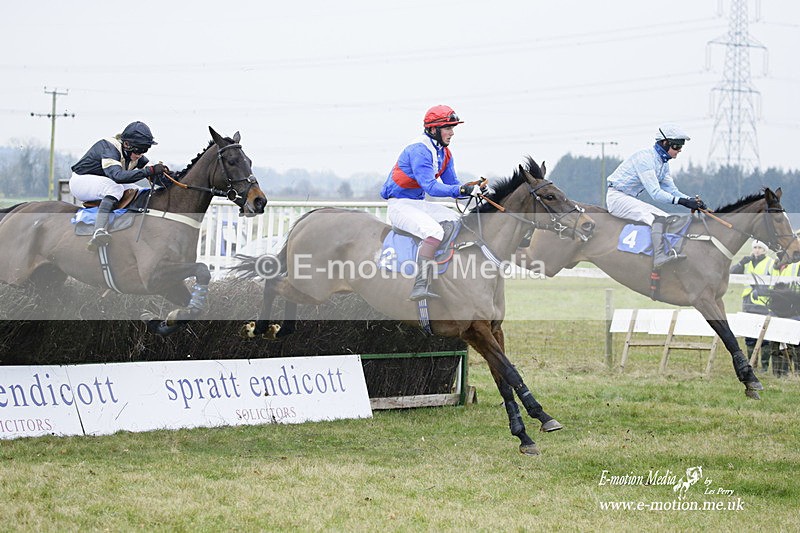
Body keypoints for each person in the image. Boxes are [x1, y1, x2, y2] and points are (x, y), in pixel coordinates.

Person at [380, 105, 484, 301]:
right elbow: (431, 187)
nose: (452, 133)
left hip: (418, 204)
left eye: (453, 128)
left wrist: (474, 188)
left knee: (457, 220)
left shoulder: (444, 153)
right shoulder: (419, 150)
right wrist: (462, 190)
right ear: (433, 129)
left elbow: (453, 185)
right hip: (400, 206)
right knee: (434, 232)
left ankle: (444, 269)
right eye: (448, 128)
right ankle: (420, 284)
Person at [606, 124, 705, 269]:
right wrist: (683, 202)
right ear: (665, 143)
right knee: (659, 218)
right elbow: (656, 194)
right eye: (677, 146)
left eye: (681, 146)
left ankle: (667, 252)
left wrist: (692, 201)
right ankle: (659, 256)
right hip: (617, 198)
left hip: (628, 198)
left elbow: (672, 191)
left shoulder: (663, 164)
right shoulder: (646, 159)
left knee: (666, 217)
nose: (680, 150)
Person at [69, 121, 167, 251]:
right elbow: (118, 177)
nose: (141, 154)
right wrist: (149, 171)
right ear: (126, 144)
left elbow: (153, 176)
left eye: (145, 150)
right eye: (139, 149)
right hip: (80, 181)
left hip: (103, 181)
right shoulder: (109, 148)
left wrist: (172, 178)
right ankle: (98, 230)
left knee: (138, 190)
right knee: (115, 189)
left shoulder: (134, 154)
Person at [730, 239, 775, 372]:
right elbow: (732, 273)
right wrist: (740, 263)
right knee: (749, 335)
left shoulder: (770, 263)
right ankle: (751, 364)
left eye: (760, 248)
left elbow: (774, 282)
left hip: (763, 304)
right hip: (748, 302)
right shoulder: (748, 262)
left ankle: (765, 366)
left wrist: (761, 290)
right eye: (755, 247)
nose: (756, 250)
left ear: (765, 250)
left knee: (764, 336)